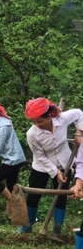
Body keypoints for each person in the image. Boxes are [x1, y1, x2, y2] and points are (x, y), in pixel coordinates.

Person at [18, 97, 83, 236]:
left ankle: (57, 229)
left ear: (49, 116)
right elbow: (40, 156)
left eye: (40, 121)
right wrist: (54, 172)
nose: (37, 124)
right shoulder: (32, 134)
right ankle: (27, 226)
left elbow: (78, 113)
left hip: (64, 163)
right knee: (34, 195)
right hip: (41, 166)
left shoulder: (62, 119)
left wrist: (79, 133)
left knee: (61, 196)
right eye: (33, 121)